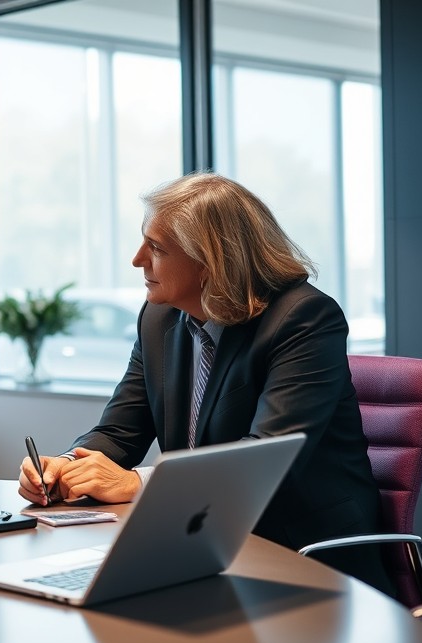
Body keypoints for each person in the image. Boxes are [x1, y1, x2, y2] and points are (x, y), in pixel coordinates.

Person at [19, 172, 382, 578]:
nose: (137, 259)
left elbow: (266, 456)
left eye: (156, 248)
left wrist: (140, 484)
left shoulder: (304, 318)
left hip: (301, 552)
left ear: (210, 262)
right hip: (197, 542)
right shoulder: (158, 319)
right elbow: (119, 432)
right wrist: (66, 469)